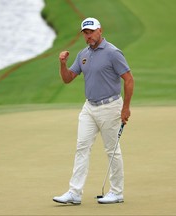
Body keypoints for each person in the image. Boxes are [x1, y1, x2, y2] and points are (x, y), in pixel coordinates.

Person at [53, 17, 134, 205]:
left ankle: (116, 192)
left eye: (91, 32)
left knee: (112, 150)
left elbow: (129, 79)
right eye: (85, 33)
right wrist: (63, 64)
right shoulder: (83, 54)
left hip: (110, 106)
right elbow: (68, 78)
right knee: (82, 148)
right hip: (89, 108)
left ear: (100, 30)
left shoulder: (113, 53)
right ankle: (74, 193)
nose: (88, 36)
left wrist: (126, 108)